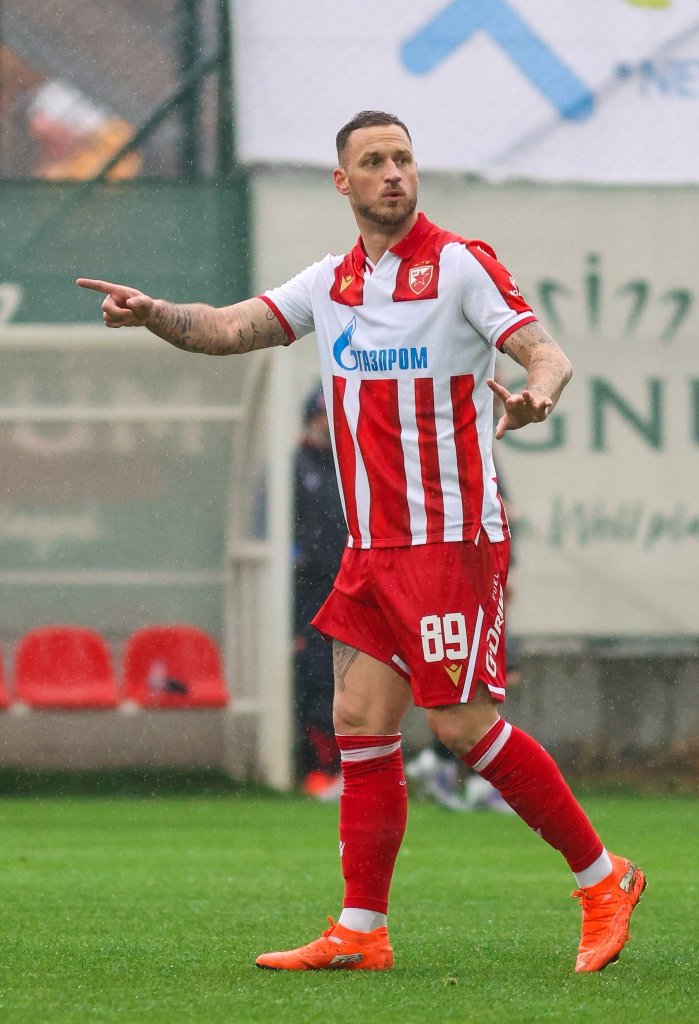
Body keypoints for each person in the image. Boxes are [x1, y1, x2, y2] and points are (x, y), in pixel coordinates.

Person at [76, 109, 646, 975]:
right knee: (359, 721)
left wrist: (537, 393)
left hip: (449, 539)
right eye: (374, 161)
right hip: (372, 547)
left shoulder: (459, 264)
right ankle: (360, 929)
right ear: (342, 183)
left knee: (461, 725)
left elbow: (546, 354)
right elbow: (228, 328)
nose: (392, 173)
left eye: (403, 158)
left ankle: (604, 880)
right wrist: (154, 313)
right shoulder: (331, 282)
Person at [292, 385, 347, 796]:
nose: (326, 426)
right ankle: (318, 769)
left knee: (350, 682)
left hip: (349, 586)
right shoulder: (295, 467)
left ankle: (348, 770)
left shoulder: (351, 465)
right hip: (309, 591)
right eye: (320, 417)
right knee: (314, 679)